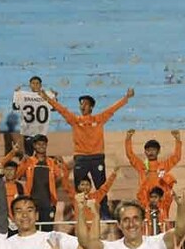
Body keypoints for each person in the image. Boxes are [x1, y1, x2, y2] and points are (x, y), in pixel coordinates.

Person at [39, 87, 134, 218]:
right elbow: (61, 110)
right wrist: (47, 98)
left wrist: (126, 98)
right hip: (81, 158)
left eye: (85, 103)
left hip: (97, 158)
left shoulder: (99, 118)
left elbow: (113, 109)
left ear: (91, 107)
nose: (82, 106)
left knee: (101, 188)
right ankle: (80, 215)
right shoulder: (75, 120)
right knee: (79, 191)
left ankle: (104, 216)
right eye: (81, 104)